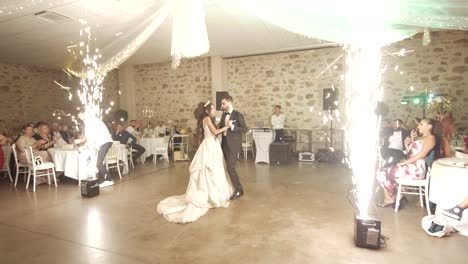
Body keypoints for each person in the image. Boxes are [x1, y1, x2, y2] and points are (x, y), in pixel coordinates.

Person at [157, 102, 233, 223]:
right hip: (210, 146)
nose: (214, 111)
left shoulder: (207, 119)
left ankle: (212, 195)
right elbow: (214, 132)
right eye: (212, 109)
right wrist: (227, 126)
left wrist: (220, 125)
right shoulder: (207, 118)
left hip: (211, 145)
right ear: (207, 111)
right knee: (210, 170)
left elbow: (213, 130)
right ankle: (210, 197)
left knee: (214, 170)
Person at [377, 118, 437, 207]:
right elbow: (411, 153)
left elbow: (421, 155)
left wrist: (403, 163)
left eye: (421, 124)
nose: (418, 126)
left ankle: (393, 197)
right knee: (381, 171)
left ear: (429, 126)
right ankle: (394, 196)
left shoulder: (431, 138)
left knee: (383, 172)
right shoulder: (421, 138)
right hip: (410, 166)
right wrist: (406, 144)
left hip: (416, 169)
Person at [219, 94, 247, 200]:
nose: (222, 105)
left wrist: (234, 127)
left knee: (230, 168)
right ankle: (230, 188)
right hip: (224, 144)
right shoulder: (223, 115)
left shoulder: (238, 115)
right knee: (228, 168)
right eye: (221, 103)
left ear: (229, 103)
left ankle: (239, 190)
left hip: (234, 145)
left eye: (223, 103)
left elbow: (245, 129)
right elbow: (221, 127)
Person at [75, 111, 114, 187]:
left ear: (85, 113)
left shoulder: (91, 121)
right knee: (98, 163)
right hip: (105, 142)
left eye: (82, 116)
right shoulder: (92, 120)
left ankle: (109, 180)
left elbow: (91, 138)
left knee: (98, 163)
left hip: (104, 142)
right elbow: (90, 137)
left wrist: (82, 145)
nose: (82, 119)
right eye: (80, 118)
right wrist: (82, 141)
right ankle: (107, 178)